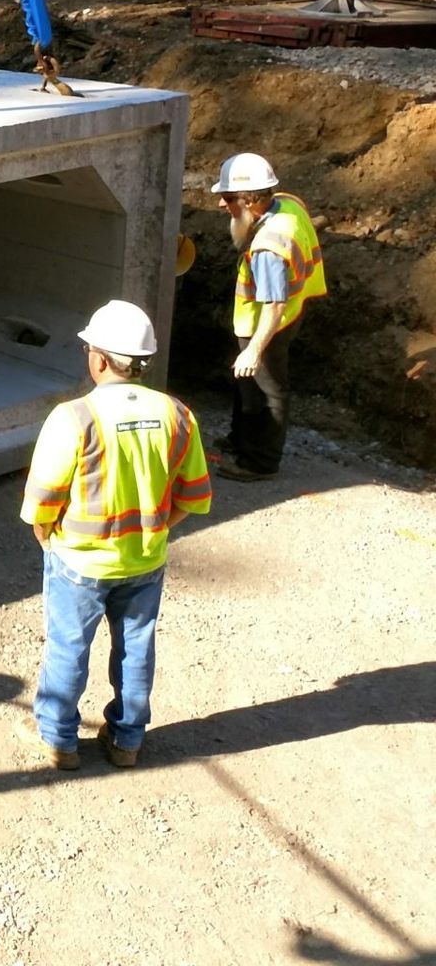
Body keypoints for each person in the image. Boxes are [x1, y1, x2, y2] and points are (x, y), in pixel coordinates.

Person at [20, 300, 211, 770]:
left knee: (68, 648)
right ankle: (127, 741)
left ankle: (59, 740)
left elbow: (41, 502)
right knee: (136, 650)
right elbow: (193, 496)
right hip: (146, 561)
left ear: (99, 359)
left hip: (80, 562)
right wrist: (156, 530)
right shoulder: (178, 414)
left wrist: (48, 538)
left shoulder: (73, 418)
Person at [212, 152, 327, 481]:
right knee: (248, 384)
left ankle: (259, 462)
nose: (222, 205)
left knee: (268, 392)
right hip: (293, 310)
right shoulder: (288, 203)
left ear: (250, 202)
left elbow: (274, 304)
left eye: (228, 198)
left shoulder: (268, 249)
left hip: (269, 323)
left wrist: (254, 349)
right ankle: (240, 440)